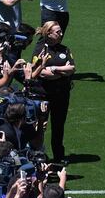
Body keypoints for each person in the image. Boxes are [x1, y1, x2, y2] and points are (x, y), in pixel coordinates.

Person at [31, 21, 75, 162]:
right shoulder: (40, 49)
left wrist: (55, 69)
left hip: (62, 94)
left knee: (58, 125)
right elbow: (41, 73)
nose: (61, 34)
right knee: (40, 125)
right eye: (58, 32)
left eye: (61, 31)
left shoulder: (64, 49)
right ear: (48, 33)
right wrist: (62, 71)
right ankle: (37, 154)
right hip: (44, 94)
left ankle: (58, 157)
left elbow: (72, 68)